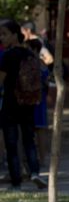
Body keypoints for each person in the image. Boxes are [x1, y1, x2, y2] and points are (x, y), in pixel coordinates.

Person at [0, 18, 47, 190]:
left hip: (11, 104)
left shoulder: (8, 56)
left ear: (14, 35)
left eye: (4, 34)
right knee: (29, 141)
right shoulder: (29, 54)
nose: (2, 38)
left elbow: (1, 80)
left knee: (12, 144)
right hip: (28, 103)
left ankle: (16, 181)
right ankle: (35, 172)